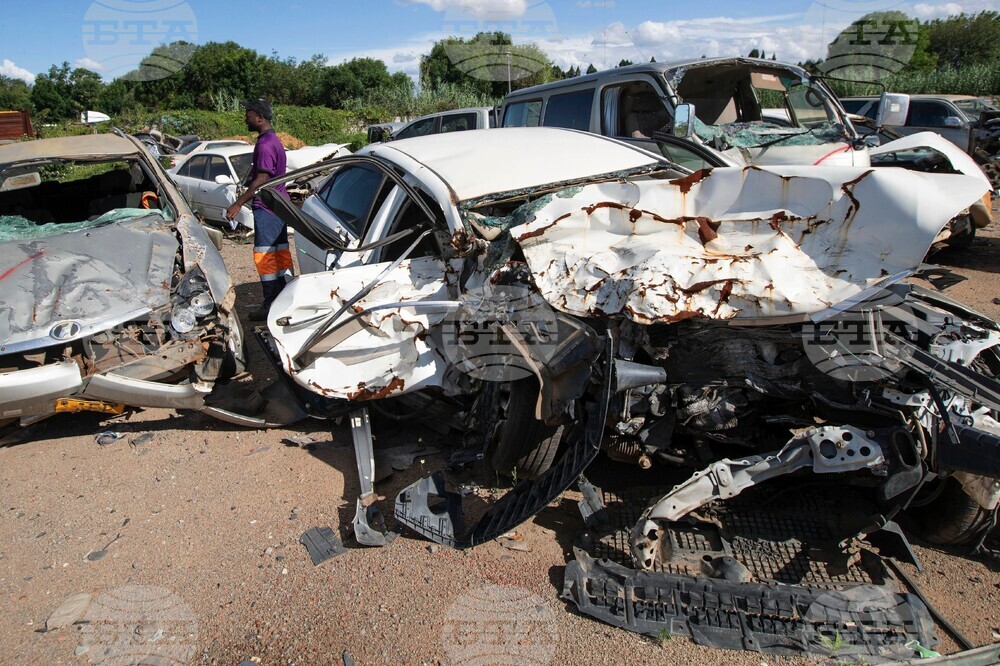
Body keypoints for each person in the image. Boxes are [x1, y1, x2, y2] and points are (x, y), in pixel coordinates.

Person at [226, 97, 292, 321]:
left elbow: (262, 179)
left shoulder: (265, 145)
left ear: (260, 117)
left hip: (267, 208)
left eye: (249, 114)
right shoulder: (273, 140)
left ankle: (272, 304)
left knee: (266, 258)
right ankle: (285, 300)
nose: (246, 117)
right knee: (279, 255)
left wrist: (238, 203)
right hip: (278, 208)